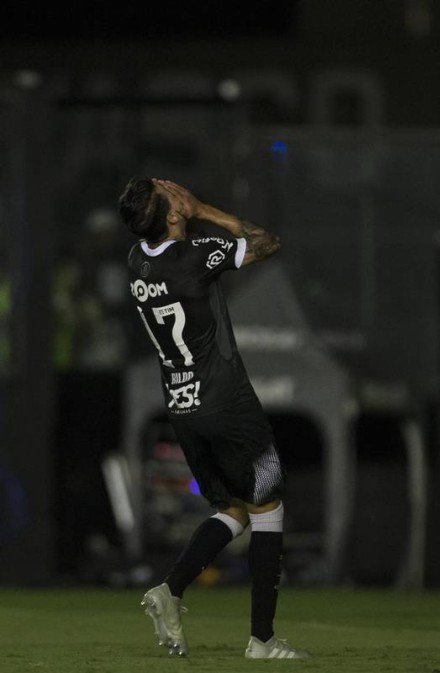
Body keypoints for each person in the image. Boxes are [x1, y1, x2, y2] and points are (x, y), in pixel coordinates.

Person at [118, 177, 310, 660]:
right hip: (228, 406)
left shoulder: (137, 259)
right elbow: (267, 242)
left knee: (233, 510)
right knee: (269, 505)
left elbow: (163, 238)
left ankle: (170, 590)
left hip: (183, 409)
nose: (176, 189)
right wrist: (204, 209)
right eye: (170, 192)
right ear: (174, 215)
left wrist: (177, 212)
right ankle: (262, 640)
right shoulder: (194, 256)